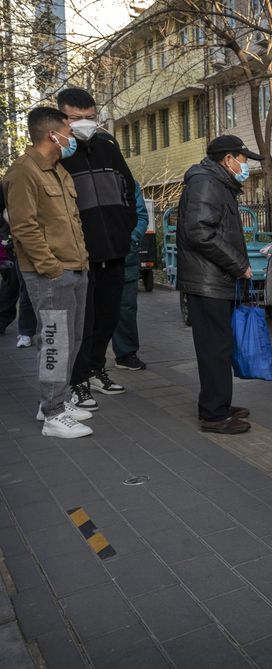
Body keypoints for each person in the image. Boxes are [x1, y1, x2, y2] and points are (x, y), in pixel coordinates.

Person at [1, 107, 93, 438]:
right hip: (51, 274)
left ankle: (54, 401)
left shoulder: (57, 170)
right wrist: (51, 267)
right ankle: (53, 415)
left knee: (74, 339)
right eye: (68, 129)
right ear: (52, 134)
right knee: (56, 342)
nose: (72, 136)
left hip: (76, 267)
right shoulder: (24, 172)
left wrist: (80, 260)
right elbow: (23, 228)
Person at [56, 88, 137, 411]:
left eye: (90, 118)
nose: (85, 124)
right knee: (82, 324)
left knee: (107, 317)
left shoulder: (108, 146)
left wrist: (124, 228)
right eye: (76, 119)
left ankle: (95, 369)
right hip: (80, 256)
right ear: (62, 118)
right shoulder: (59, 153)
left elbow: (128, 189)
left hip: (114, 250)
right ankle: (77, 381)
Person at [176, 135, 258, 434]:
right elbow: (199, 231)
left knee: (219, 348)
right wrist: (239, 265)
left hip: (213, 279)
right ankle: (213, 414)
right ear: (228, 159)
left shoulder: (216, 183)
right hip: (207, 282)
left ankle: (218, 403)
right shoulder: (206, 183)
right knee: (214, 350)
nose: (245, 166)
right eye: (243, 159)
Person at [110, 182, 150, 370]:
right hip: (93, 256)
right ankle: (91, 366)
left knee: (126, 308)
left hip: (126, 256)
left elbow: (141, 216)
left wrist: (131, 239)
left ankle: (126, 354)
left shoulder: (127, 182)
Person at [0, 190, 39, 347]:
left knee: (21, 288)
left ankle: (25, 331)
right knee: (16, 287)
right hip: (13, 244)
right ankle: (25, 331)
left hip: (19, 244)